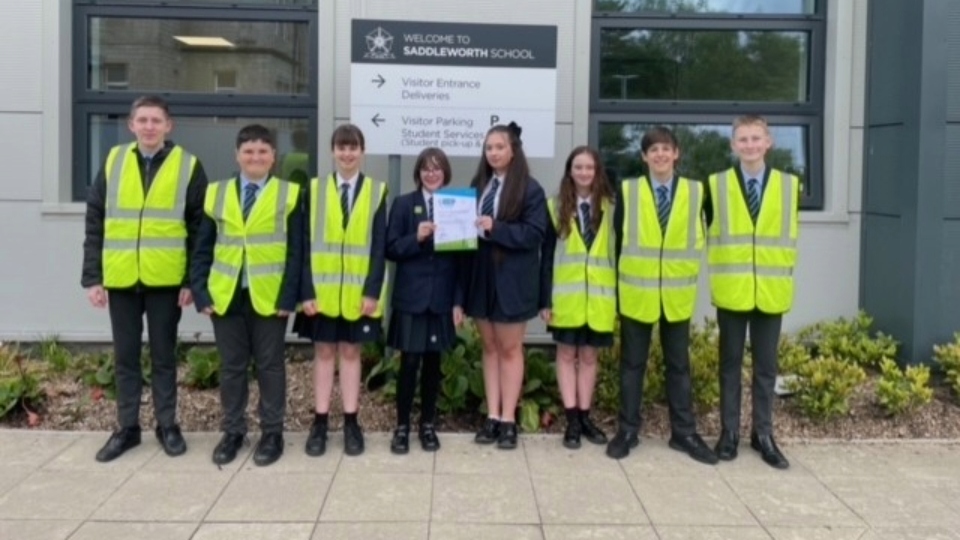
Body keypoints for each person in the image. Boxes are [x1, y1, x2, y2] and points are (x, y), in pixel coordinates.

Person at [81, 95, 207, 463]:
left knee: (164, 355)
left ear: (169, 126)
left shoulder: (188, 165)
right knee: (125, 356)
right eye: (143, 120)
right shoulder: (113, 161)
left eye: (157, 120)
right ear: (131, 124)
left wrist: (190, 281)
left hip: (166, 279)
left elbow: (199, 228)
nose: (150, 126)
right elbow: (95, 220)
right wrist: (93, 277)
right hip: (120, 277)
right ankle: (127, 428)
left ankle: (167, 425)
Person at [190, 124, 304, 467]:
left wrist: (289, 298)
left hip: (268, 297)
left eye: (263, 152)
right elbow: (202, 247)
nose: (256, 157)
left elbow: (296, 252)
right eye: (249, 151)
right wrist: (200, 290)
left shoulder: (290, 194)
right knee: (232, 368)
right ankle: (233, 432)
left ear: (274, 157)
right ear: (237, 155)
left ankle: (272, 433)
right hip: (226, 296)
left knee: (270, 367)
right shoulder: (216, 193)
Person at [606, 126, 718, 465]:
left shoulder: (698, 192)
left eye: (665, 149)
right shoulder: (628, 190)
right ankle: (627, 431)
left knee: (679, 366)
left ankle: (683, 433)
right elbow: (620, 234)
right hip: (637, 294)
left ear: (676, 153)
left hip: (676, 294)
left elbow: (705, 228)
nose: (659, 155)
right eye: (652, 150)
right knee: (632, 365)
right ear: (643, 156)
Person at [706, 115, 799, 470]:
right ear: (733, 145)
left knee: (766, 368)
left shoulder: (790, 186)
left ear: (768, 142)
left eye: (755, 139)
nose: (749, 145)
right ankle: (729, 433)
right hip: (732, 292)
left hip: (771, 292)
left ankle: (763, 435)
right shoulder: (715, 186)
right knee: (729, 366)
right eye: (742, 139)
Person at [295, 124, 387, 457]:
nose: (347, 153)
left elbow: (379, 247)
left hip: (358, 295)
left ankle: (351, 422)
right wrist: (305, 291)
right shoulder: (314, 189)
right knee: (322, 354)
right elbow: (303, 244)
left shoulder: (377, 191)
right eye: (341, 147)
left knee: (350, 354)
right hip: (320, 294)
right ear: (333, 151)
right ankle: (319, 422)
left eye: (353, 147)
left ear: (362, 152)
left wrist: (372, 291)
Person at [466, 122, 548, 450]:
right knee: (489, 348)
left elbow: (534, 234)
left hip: (513, 281)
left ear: (513, 150)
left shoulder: (531, 189)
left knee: (510, 349)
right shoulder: (478, 184)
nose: (494, 153)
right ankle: (493, 416)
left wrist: (496, 228)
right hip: (481, 279)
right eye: (489, 148)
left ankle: (509, 420)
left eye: (500, 147)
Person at [385, 147, 464, 454]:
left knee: (434, 364)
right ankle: (402, 427)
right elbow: (390, 248)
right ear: (418, 173)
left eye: (437, 168)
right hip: (411, 298)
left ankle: (428, 426)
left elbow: (461, 260)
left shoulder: (456, 205)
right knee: (409, 363)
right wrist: (415, 238)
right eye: (426, 169)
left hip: (442, 299)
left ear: (445, 173)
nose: (432, 174)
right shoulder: (404, 204)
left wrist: (458, 301)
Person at [538, 146, 615, 450]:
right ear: (570, 170)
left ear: (597, 172)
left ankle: (585, 416)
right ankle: (571, 419)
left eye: (589, 167)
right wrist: (544, 301)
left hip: (599, 299)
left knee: (589, 357)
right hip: (565, 300)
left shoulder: (611, 207)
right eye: (578, 167)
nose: (584, 172)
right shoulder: (554, 206)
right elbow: (545, 258)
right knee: (567, 356)